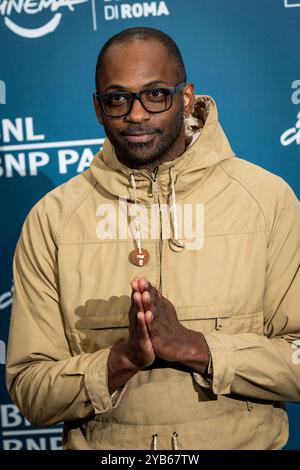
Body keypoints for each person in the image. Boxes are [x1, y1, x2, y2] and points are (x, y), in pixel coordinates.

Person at [6, 27, 300, 450]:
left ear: (185, 97)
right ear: (98, 107)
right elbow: (31, 390)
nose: (137, 114)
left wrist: (197, 348)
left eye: (155, 94)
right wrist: (121, 360)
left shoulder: (267, 200)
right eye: (118, 98)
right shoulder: (52, 220)